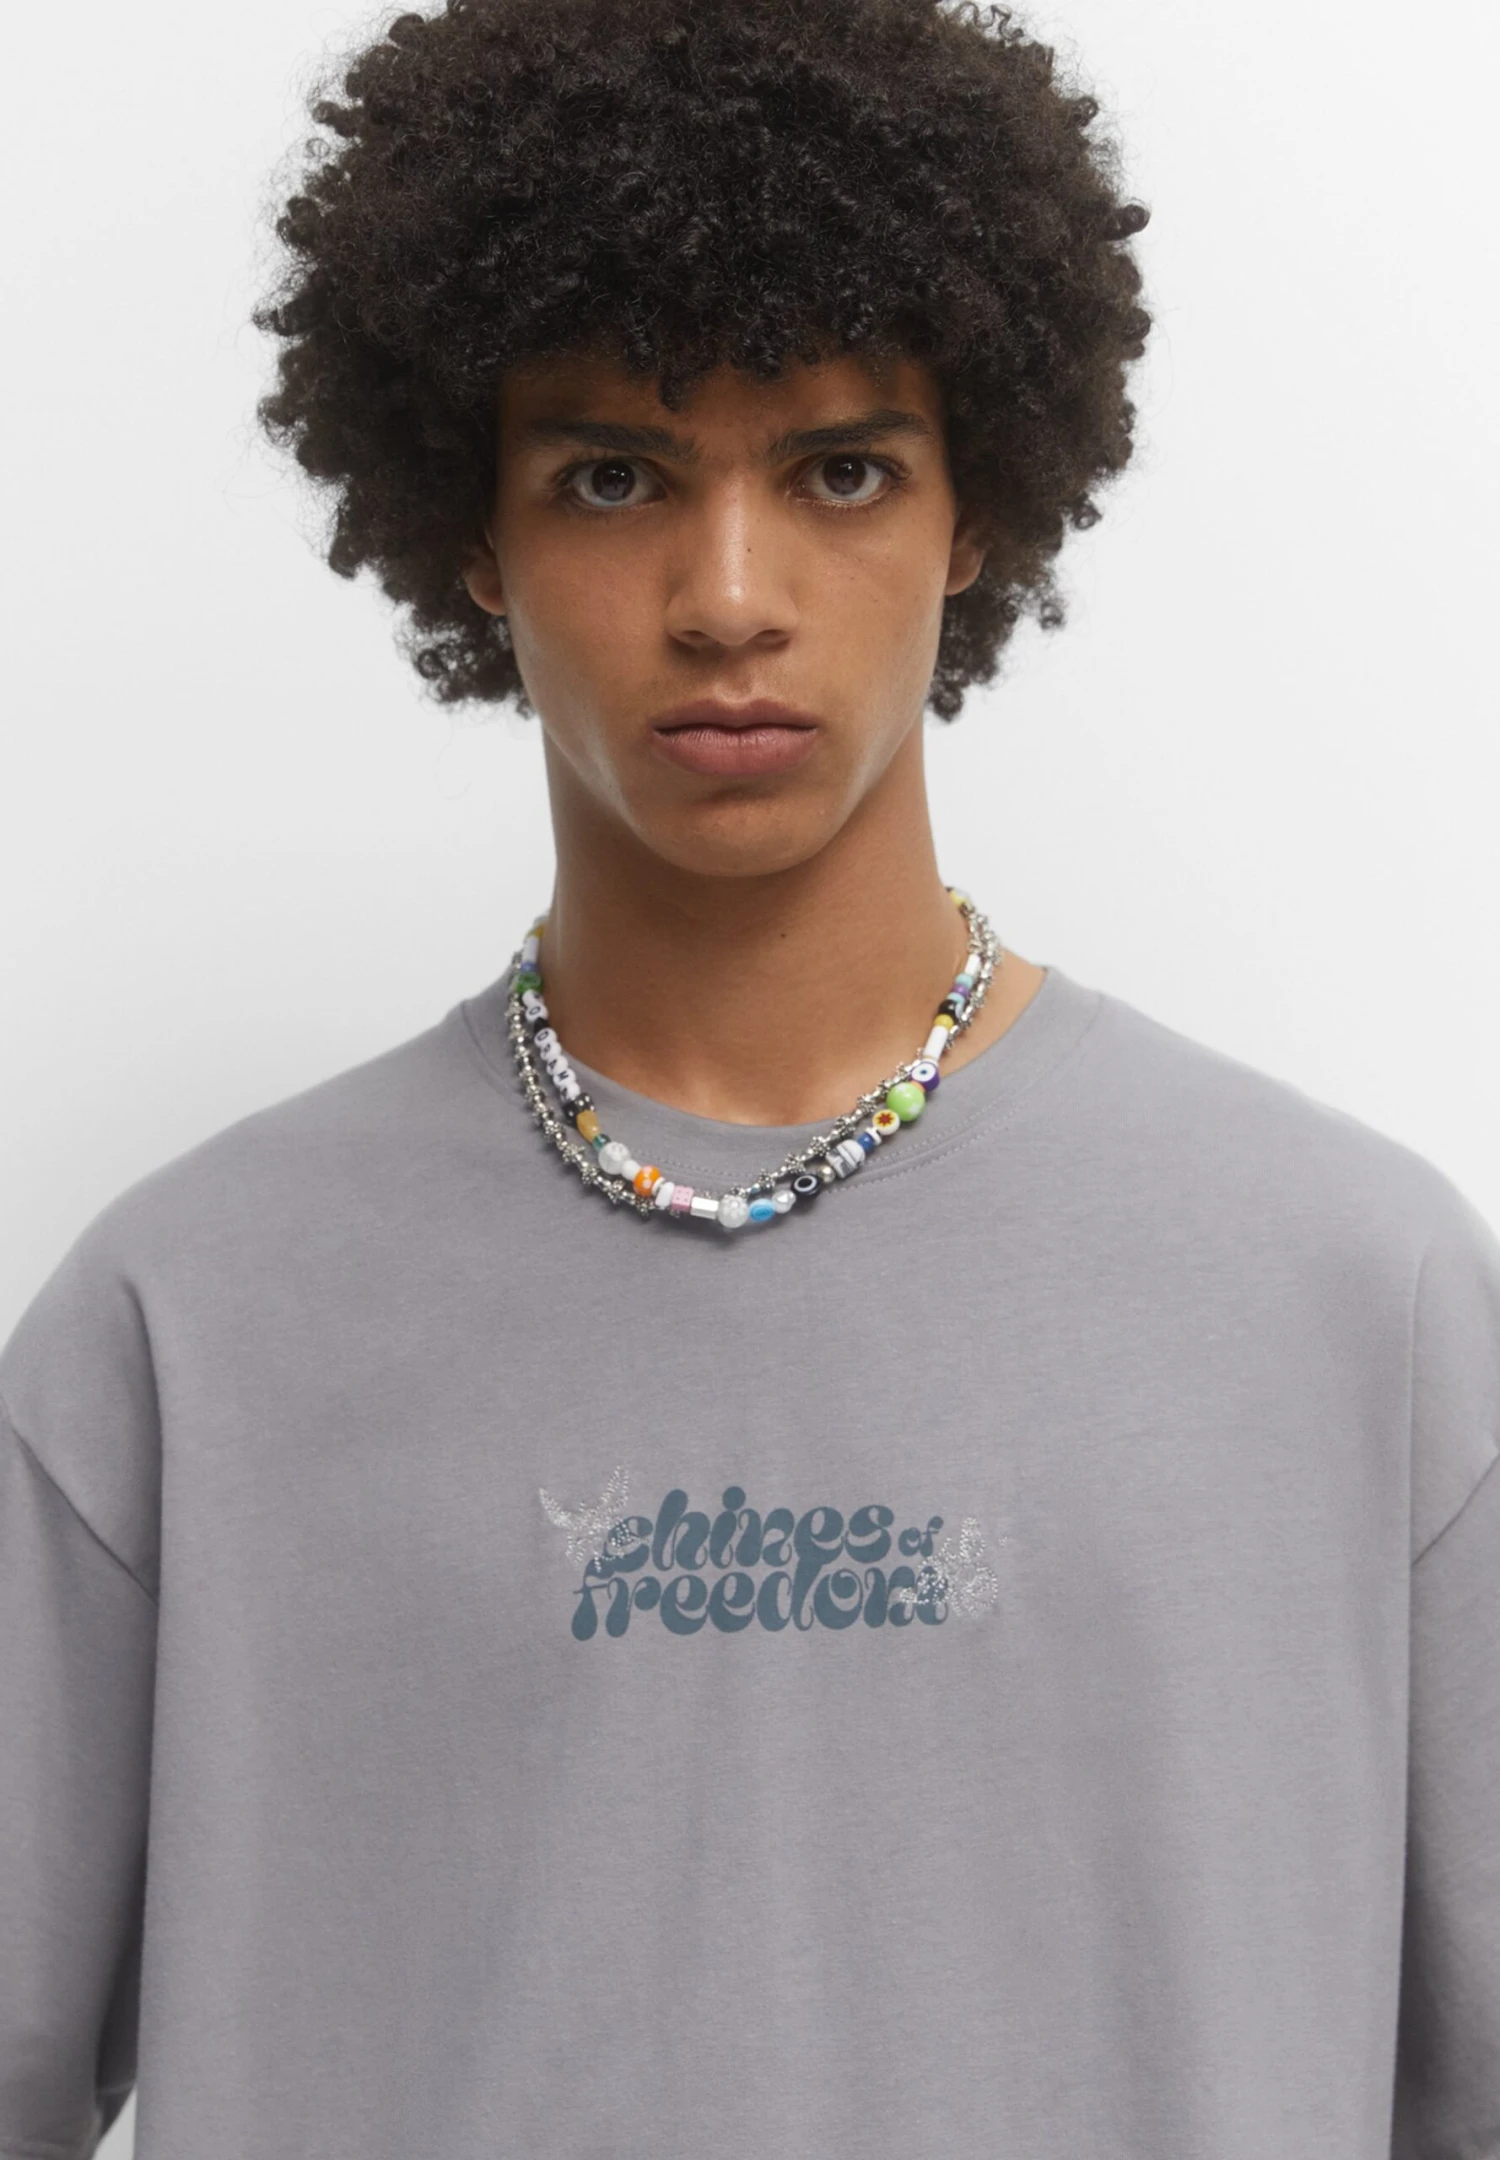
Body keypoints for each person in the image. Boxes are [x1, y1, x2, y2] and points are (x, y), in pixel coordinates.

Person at [2, 0, 1495, 2154]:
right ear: (473, 532)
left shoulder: (1362, 1301)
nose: (726, 598)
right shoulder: (185, 1329)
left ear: (977, 511)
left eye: (840, 471)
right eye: (612, 475)